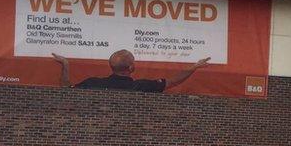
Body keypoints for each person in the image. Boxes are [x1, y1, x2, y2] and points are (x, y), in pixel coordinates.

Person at [51, 50, 210, 92]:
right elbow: (174, 81)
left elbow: (66, 90)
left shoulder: (92, 83)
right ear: (131, 68)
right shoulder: (141, 87)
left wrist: (65, 65)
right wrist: (194, 67)